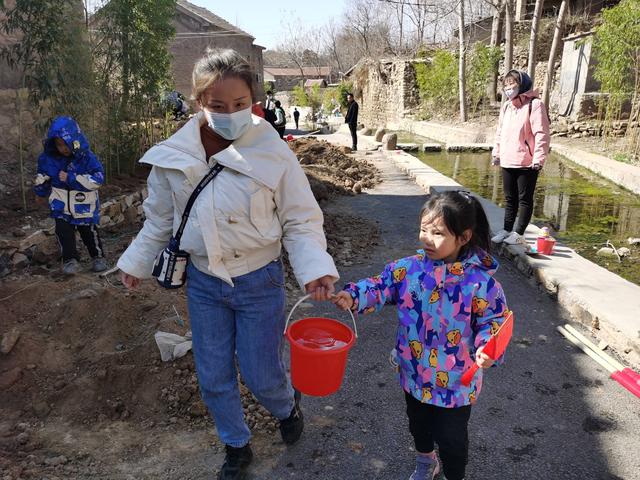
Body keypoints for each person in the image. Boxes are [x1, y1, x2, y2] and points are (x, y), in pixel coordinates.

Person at [116, 48, 338, 480]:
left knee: (261, 374)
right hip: (204, 283)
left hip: (260, 280)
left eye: (240, 105)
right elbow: (160, 220)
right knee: (213, 375)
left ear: (252, 100)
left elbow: (300, 218)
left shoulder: (271, 149)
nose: (231, 114)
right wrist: (135, 263)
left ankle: (285, 405)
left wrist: (315, 268)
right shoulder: (172, 157)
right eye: (218, 106)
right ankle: (236, 446)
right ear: (199, 101)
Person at [332, 191, 509, 480]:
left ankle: (454, 474)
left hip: (457, 383)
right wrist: (353, 296)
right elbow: (381, 285)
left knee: (452, 439)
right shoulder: (408, 270)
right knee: (419, 426)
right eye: (423, 229)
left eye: (437, 233)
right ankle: (427, 461)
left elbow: (494, 322)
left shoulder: (481, 284)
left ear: (463, 237)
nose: (426, 238)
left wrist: (488, 348)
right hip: (414, 372)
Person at [33, 116, 108, 275]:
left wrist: (72, 178)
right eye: (59, 145)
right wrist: (40, 192)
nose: (63, 148)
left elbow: (98, 179)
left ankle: (97, 256)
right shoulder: (48, 159)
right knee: (63, 233)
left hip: (84, 204)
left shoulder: (87, 158)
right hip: (60, 204)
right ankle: (70, 260)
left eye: (65, 144)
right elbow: (43, 176)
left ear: (75, 140)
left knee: (89, 232)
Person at [491, 69, 550, 247]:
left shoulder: (535, 105)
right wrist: (497, 153)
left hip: (527, 162)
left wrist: (538, 159)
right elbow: (500, 132)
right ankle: (507, 229)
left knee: (525, 199)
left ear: (522, 84)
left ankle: (519, 233)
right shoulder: (507, 106)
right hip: (508, 159)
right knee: (510, 198)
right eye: (506, 85)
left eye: (513, 84)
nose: (509, 88)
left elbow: (542, 134)